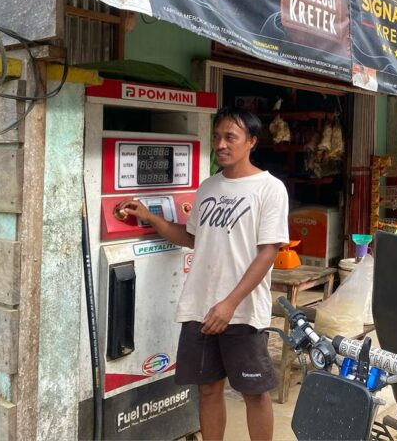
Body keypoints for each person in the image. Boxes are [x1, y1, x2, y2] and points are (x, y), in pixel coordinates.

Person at [118, 107, 289, 441]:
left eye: (230, 137)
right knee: (208, 389)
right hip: (199, 307)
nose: (221, 144)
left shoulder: (269, 188)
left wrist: (229, 303)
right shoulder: (208, 187)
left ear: (251, 141)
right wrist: (151, 218)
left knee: (254, 392)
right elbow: (192, 237)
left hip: (241, 311)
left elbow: (268, 252)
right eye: (217, 136)